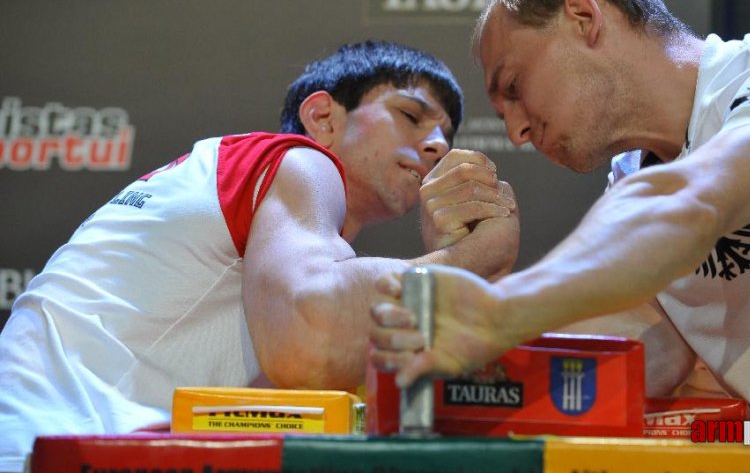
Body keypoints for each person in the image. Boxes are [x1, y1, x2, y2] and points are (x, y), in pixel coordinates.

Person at [370, 0, 750, 472]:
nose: (517, 129)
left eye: (514, 86)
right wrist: (451, 330)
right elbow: (642, 351)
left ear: (582, 17)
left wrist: (503, 310)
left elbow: (696, 201)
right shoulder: (633, 183)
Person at [0, 40, 520, 472]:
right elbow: (313, 337)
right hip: (38, 444)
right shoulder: (297, 162)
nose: (435, 144)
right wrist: (472, 257)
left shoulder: (269, 221)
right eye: (410, 115)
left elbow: (316, 384)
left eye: (445, 135)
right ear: (321, 117)